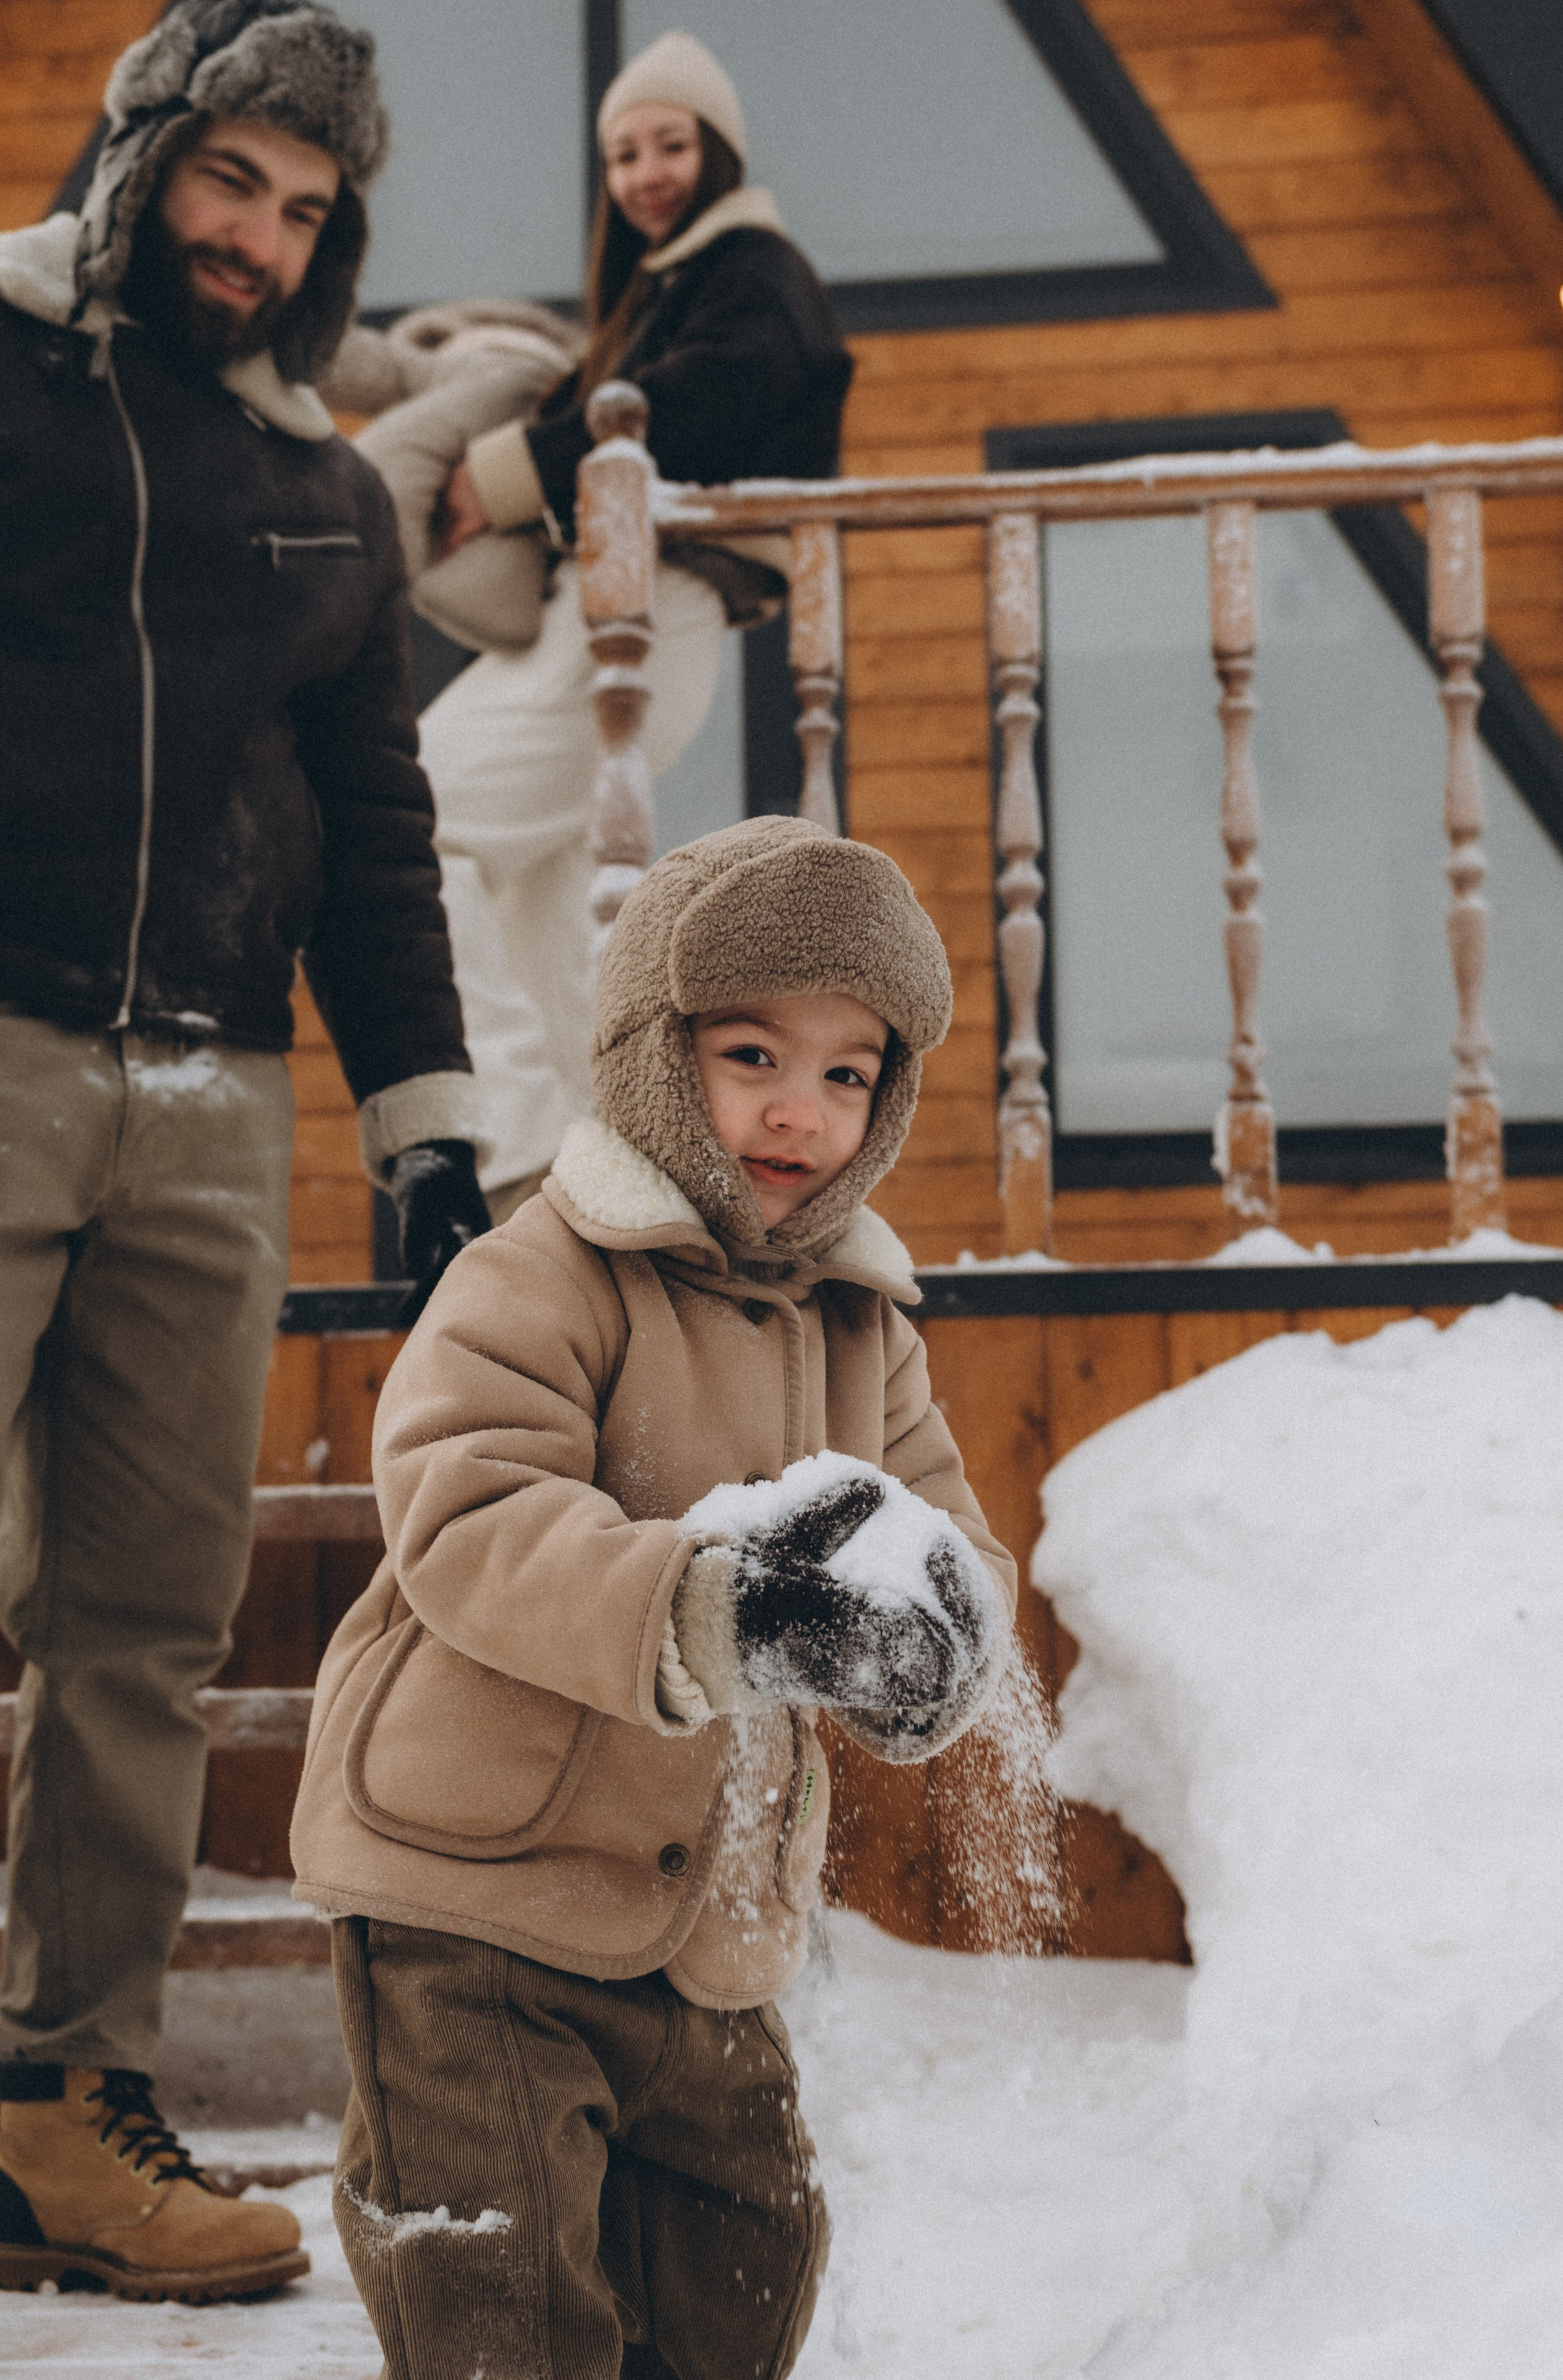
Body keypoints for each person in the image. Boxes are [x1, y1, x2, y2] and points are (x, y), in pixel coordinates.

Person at [291, 815, 1017, 2380]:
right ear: (646, 1049)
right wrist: (718, 1612)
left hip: (709, 1926)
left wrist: (928, 1637)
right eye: (751, 1051)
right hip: (474, 1890)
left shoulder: (860, 1324)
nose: (797, 1110)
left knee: (740, 2260)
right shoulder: (540, 1271)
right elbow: (466, 1508)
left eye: (846, 1073)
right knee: (500, 2295)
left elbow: (947, 1532)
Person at [0, 0, 492, 2304]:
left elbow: (379, 828)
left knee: (147, 1629)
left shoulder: (328, 481)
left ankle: (58, 2105)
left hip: (210, 1105)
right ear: (146, 154)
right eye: (236, 184)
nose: (262, 240)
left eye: (307, 212)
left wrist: (424, 1124)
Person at [418, 30, 855, 1222]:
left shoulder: (750, 270)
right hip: (617, 618)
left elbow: (717, 398)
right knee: (540, 882)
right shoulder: (670, 284)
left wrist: (508, 471)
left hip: (651, 614)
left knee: (414, 818)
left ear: (718, 151)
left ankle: (515, 1151)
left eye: (671, 144)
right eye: (625, 153)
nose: (648, 172)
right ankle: (622, 1153)